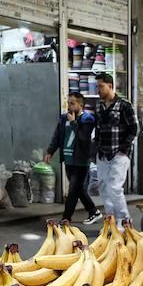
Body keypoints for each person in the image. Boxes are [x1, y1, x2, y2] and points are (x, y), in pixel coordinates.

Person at [45, 91, 102, 225]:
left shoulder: (87, 119)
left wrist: (74, 123)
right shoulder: (64, 118)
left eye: (72, 103)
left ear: (80, 104)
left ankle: (66, 218)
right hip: (69, 159)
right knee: (78, 189)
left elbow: (84, 138)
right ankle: (93, 211)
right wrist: (50, 151)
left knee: (72, 191)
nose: (69, 106)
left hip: (81, 161)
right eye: (68, 103)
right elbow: (57, 136)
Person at [93, 72, 138, 225]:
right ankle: (111, 221)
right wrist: (95, 148)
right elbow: (98, 129)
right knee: (104, 187)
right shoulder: (98, 106)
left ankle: (125, 221)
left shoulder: (124, 105)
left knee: (114, 187)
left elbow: (134, 128)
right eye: (97, 86)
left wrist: (124, 149)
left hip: (119, 154)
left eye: (100, 86)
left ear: (110, 86)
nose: (98, 89)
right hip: (102, 154)